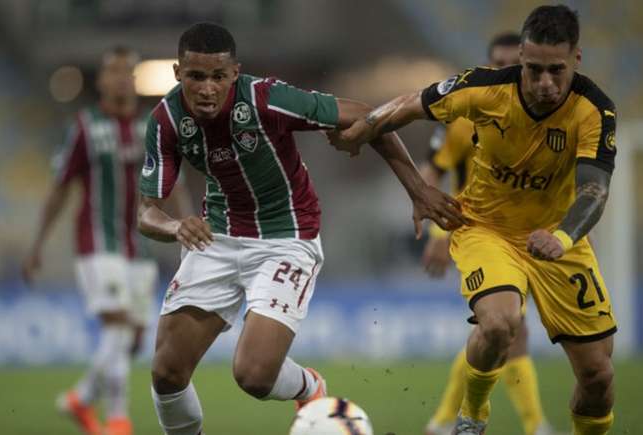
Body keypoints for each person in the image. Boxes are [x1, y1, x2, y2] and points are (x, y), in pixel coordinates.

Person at [138, 23, 463, 435]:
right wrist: (175, 227)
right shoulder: (166, 118)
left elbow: (365, 114)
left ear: (234, 73)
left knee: (254, 375)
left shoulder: (266, 98)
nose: (206, 88)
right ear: (177, 72)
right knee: (167, 373)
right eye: (196, 76)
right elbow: (146, 212)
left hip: (286, 237)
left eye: (218, 77)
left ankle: (310, 387)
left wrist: (418, 189)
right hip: (216, 237)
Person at [329, 5, 617, 435]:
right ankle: (472, 416)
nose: (543, 83)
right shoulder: (483, 88)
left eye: (555, 70)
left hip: (557, 240)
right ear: (520, 56)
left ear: (576, 58)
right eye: (533, 69)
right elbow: (411, 104)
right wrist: (361, 130)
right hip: (487, 230)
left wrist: (562, 236)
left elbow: (595, 190)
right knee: (501, 323)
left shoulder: (594, 110)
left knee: (597, 377)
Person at [423, 32, 562, 435]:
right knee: (507, 329)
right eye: (496, 64)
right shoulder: (469, 116)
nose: (504, 71)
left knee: (498, 334)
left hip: (536, 237)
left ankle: (443, 422)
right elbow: (433, 173)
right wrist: (437, 231)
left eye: (511, 65)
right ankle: (535, 426)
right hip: (483, 237)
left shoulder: (550, 116)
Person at [22, 46, 156, 435]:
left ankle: (81, 399)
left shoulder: (150, 126)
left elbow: (173, 185)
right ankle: (118, 419)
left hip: (140, 247)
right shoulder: (85, 125)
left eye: (125, 71)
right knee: (117, 325)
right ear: (100, 80)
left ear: (133, 78)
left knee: (132, 341)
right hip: (97, 244)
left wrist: (185, 228)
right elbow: (60, 188)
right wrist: (37, 245)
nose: (118, 78)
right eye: (111, 71)